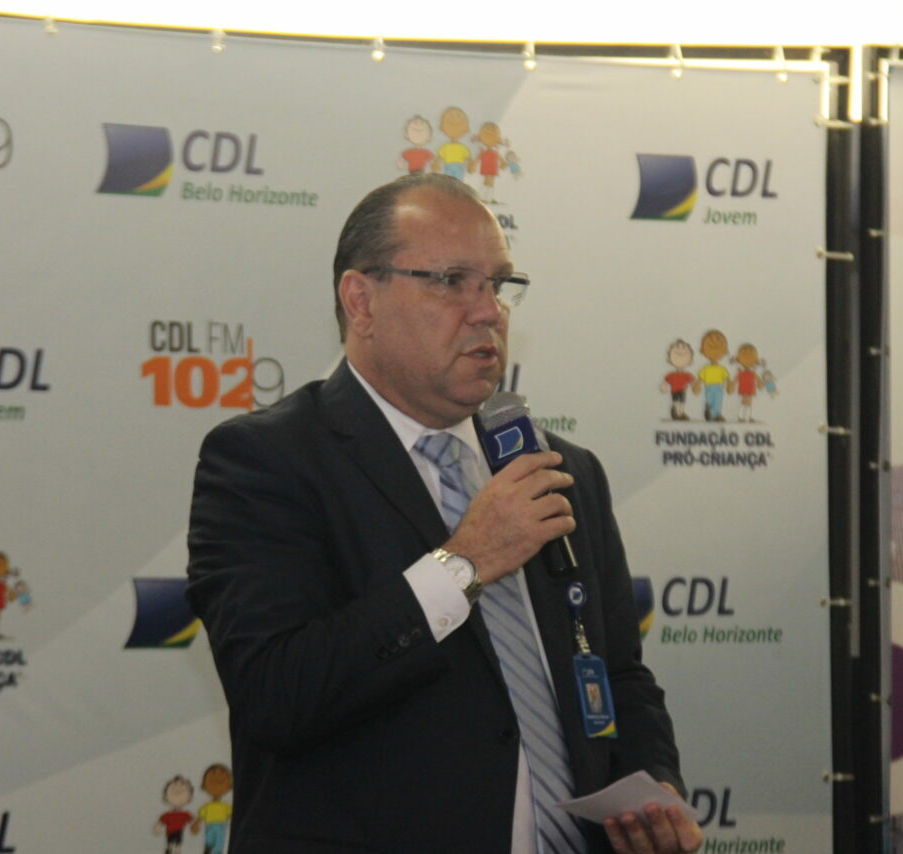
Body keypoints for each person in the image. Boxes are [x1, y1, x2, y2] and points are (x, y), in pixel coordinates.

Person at [187, 173, 700, 853]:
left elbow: (618, 676)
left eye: (499, 285)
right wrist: (465, 563)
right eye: (453, 281)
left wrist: (653, 787)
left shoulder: (560, 470)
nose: (488, 312)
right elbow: (277, 695)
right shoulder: (267, 461)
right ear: (361, 300)